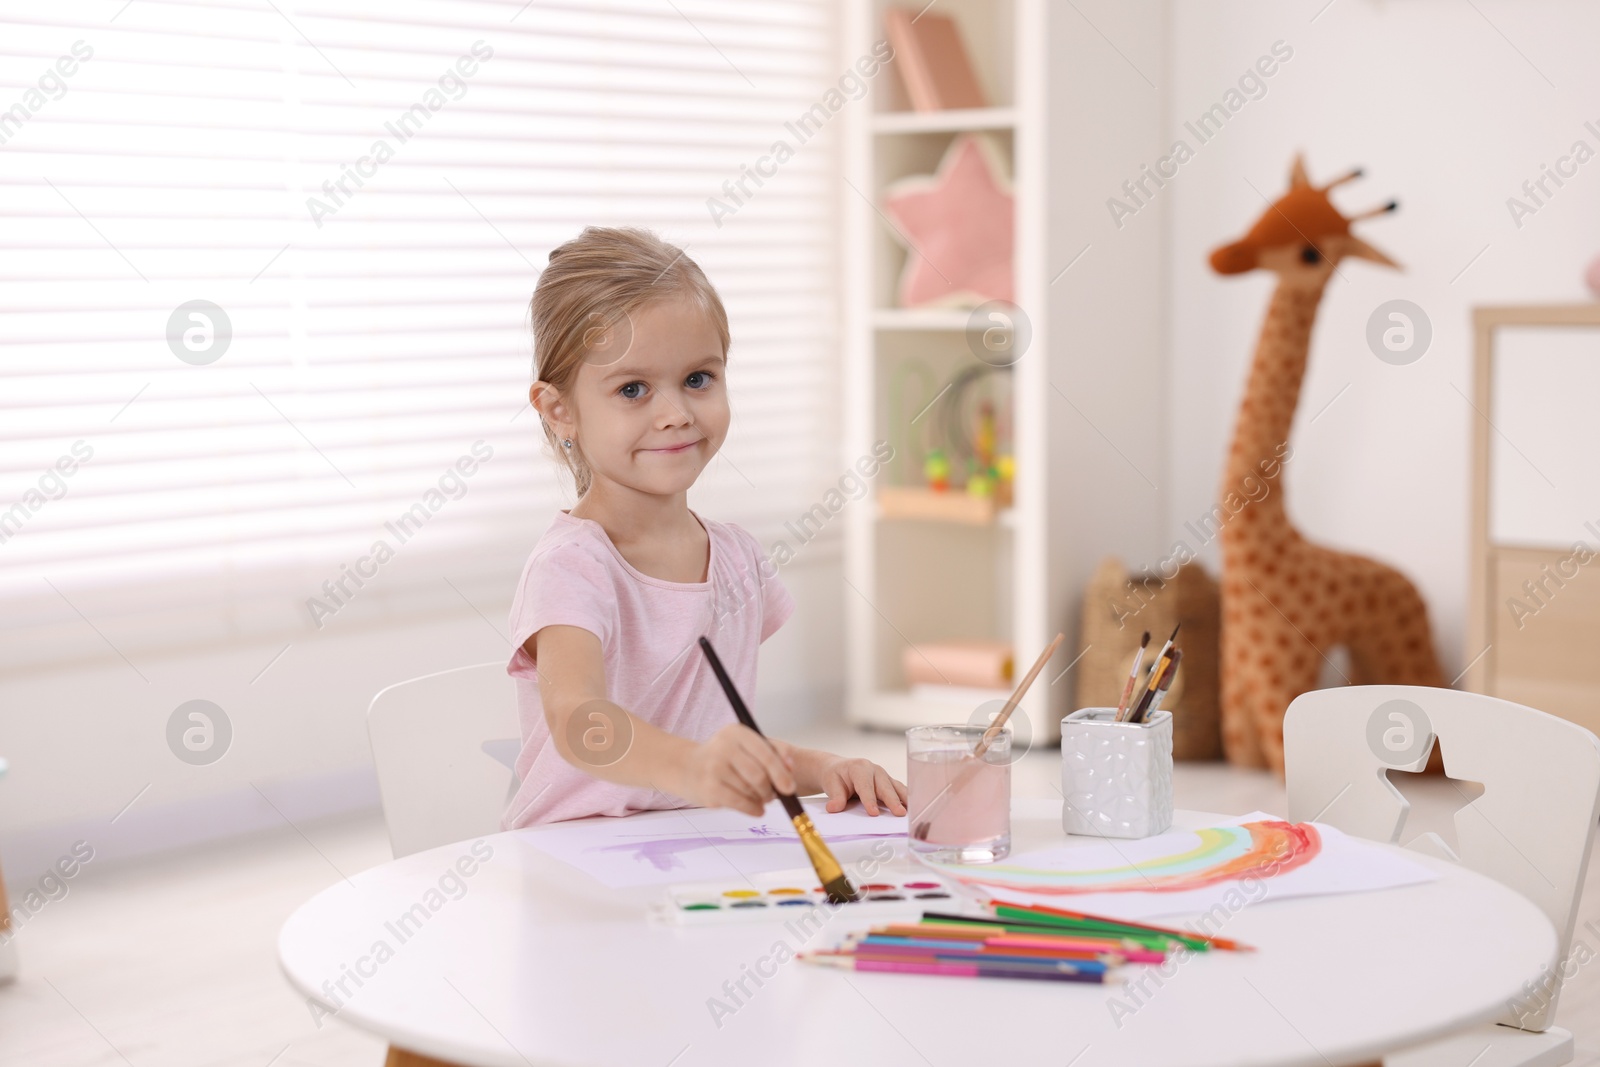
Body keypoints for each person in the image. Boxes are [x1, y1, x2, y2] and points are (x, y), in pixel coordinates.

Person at [502, 226, 907, 829]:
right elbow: (579, 721)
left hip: (689, 853)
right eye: (633, 389)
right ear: (561, 410)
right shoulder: (573, 566)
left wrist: (825, 768)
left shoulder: (737, 558)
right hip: (576, 857)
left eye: (698, 379)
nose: (676, 414)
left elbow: (718, 740)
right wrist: (692, 769)